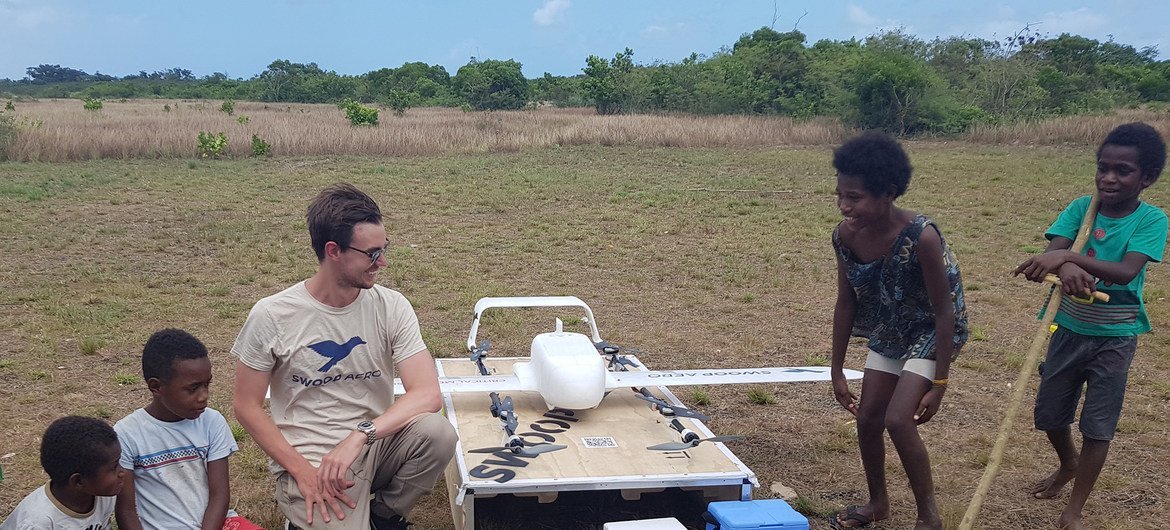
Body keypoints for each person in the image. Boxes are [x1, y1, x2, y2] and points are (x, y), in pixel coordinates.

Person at [232, 183, 457, 530]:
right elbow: (246, 406)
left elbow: (427, 394)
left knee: (437, 433)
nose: (382, 262)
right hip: (312, 459)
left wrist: (360, 435)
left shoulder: (391, 305)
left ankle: (384, 516)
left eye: (384, 249)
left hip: (373, 443)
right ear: (333, 250)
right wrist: (302, 472)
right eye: (371, 253)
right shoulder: (272, 315)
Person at [1013, 122, 1167, 530]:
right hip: (1066, 328)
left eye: (1123, 170)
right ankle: (1068, 464)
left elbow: (1123, 271)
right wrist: (1062, 261)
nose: (1109, 178)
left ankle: (1074, 509)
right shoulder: (1082, 208)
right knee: (1049, 416)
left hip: (1115, 338)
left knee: (1097, 425)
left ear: (1147, 178)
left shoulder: (1152, 220)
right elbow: (1051, 255)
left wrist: (1071, 261)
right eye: (1103, 168)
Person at [827, 132, 968, 530]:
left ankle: (929, 517)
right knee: (869, 416)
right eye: (839, 194)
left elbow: (944, 312)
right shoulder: (844, 235)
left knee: (898, 419)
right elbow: (846, 302)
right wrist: (836, 370)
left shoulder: (922, 236)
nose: (844, 205)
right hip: (891, 325)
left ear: (888, 193)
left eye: (854, 197)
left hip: (931, 329)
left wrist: (939, 381)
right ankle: (877, 504)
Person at [113, 328, 258, 530]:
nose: (203, 396)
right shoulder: (127, 434)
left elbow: (220, 496)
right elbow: (126, 510)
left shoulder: (211, 422)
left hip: (216, 524)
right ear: (156, 387)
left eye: (207, 385)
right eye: (193, 388)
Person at [1, 416, 125, 530]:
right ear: (78, 481)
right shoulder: (37, 523)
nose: (122, 472)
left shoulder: (101, 496)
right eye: (114, 467)